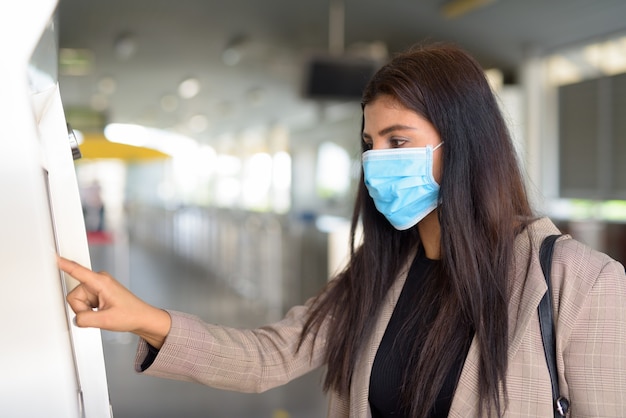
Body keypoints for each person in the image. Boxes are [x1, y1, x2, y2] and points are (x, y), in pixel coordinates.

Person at [58, 43, 626, 418]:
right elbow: (267, 358)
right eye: (369, 143)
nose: (377, 159)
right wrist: (144, 318)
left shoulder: (580, 283)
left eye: (398, 141)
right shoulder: (378, 273)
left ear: (467, 144)